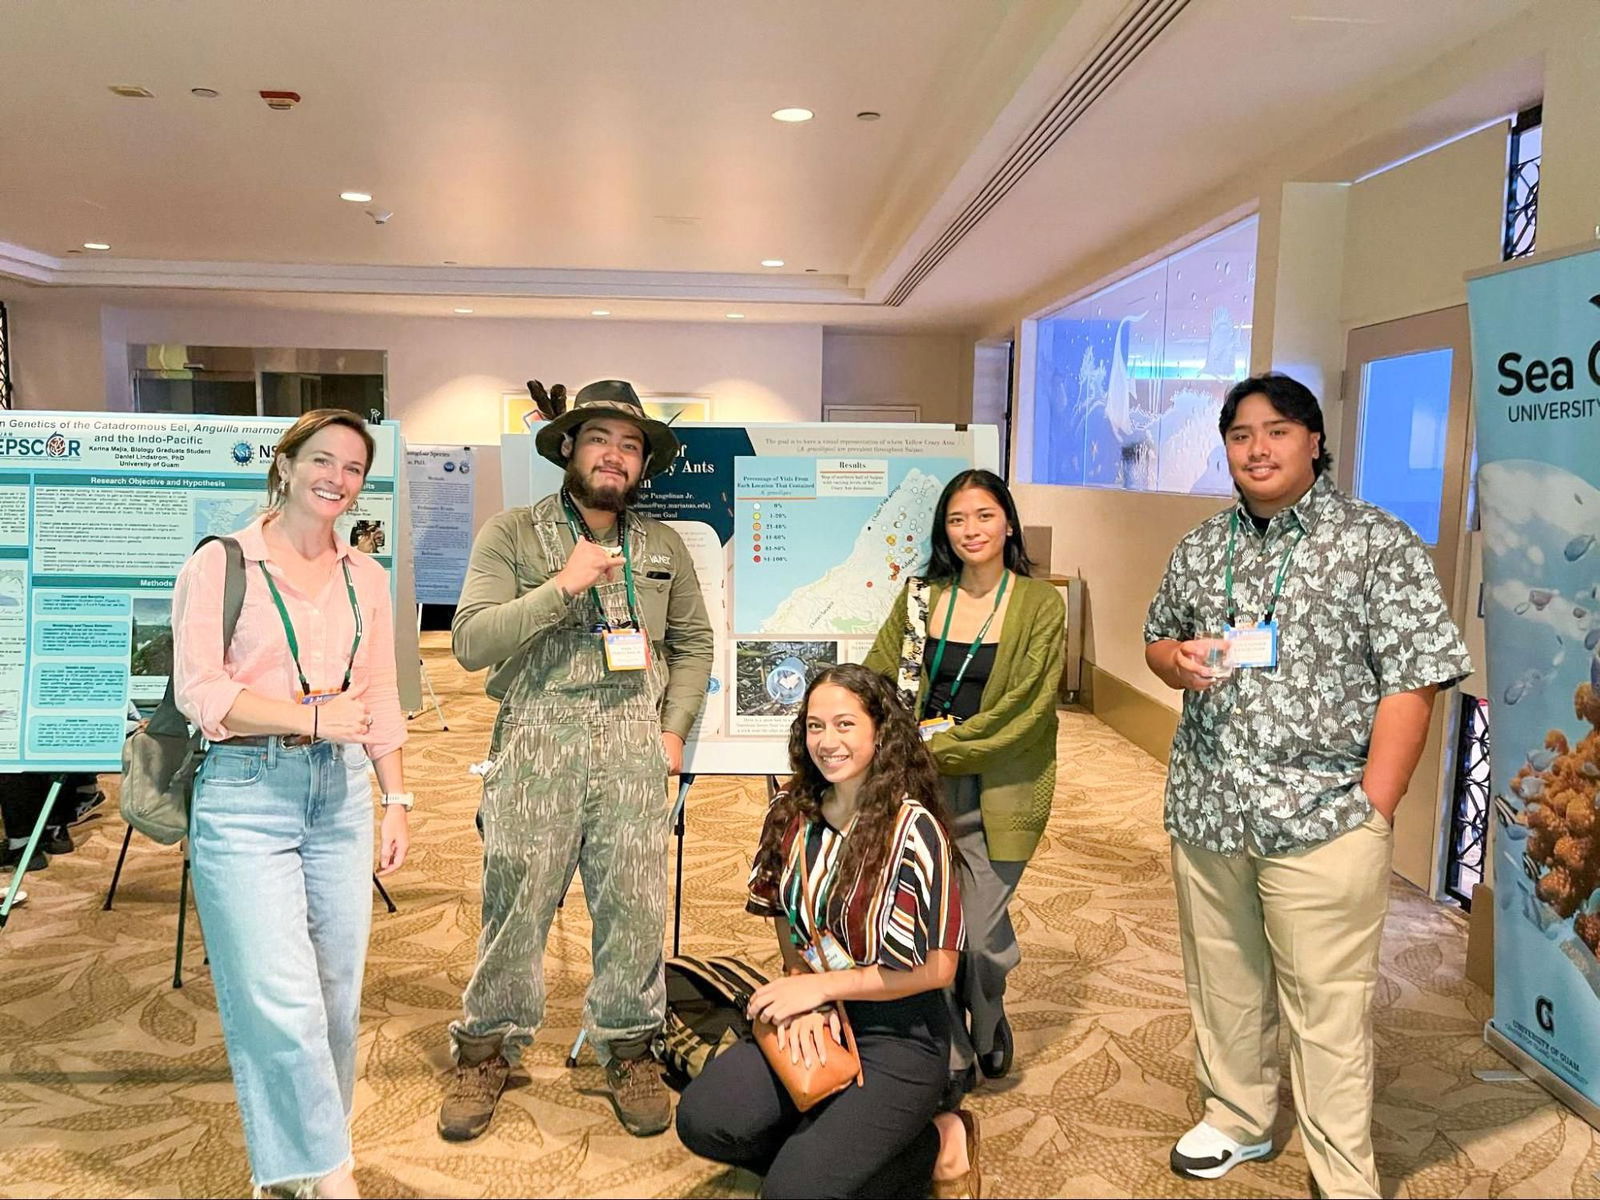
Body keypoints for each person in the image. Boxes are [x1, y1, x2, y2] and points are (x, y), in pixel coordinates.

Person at [1142, 373, 1471, 1197]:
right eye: (1241, 434)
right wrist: (1175, 661)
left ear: (1315, 441)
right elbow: (1157, 640)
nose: (1257, 448)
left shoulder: (1375, 542)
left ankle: (1342, 1170)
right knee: (1222, 977)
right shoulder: (1202, 545)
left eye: (1278, 430)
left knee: (1327, 1006)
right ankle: (1238, 1117)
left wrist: (1375, 808)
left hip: (1326, 816)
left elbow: (1414, 680)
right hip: (1210, 804)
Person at [440, 379, 714, 1140]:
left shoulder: (661, 546)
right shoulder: (514, 535)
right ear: (569, 448)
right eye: (600, 440)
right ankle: (487, 1048)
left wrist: (674, 728)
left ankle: (628, 1047)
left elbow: (692, 643)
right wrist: (563, 585)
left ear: (642, 464)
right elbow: (470, 643)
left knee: (634, 904)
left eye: (630, 446)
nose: (615, 456)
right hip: (537, 736)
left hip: (633, 741)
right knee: (517, 901)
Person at [172, 408, 411, 1199]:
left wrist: (397, 797)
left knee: (336, 998)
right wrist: (306, 717)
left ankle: (296, 1169)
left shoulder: (364, 576)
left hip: (337, 795)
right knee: (279, 998)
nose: (336, 479)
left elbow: (378, 692)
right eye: (322, 459)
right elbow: (201, 691)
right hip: (245, 794)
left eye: (352, 469)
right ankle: (328, 1173)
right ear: (286, 463)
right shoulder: (223, 563)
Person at [676, 664, 981, 1199]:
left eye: (845, 724)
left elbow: (939, 969)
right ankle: (835, 1147)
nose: (827, 741)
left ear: (879, 732)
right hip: (815, 1009)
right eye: (815, 726)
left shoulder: (914, 829)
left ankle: (941, 1140)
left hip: (900, 1031)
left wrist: (821, 988)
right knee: (704, 1121)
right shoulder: (791, 812)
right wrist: (805, 994)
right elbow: (786, 921)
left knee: (792, 1192)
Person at [863, 468, 1064, 1107]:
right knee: (922, 926)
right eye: (957, 519)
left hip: (1001, 789)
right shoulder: (923, 597)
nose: (971, 530)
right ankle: (949, 1044)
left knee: (978, 932)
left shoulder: (1039, 605)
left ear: (1008, 522)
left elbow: (1025, 713)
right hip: (918, 792)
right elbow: (878, 677)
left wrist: (936, 745)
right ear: (944, 532)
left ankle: (989, 1000)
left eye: (983, 515)